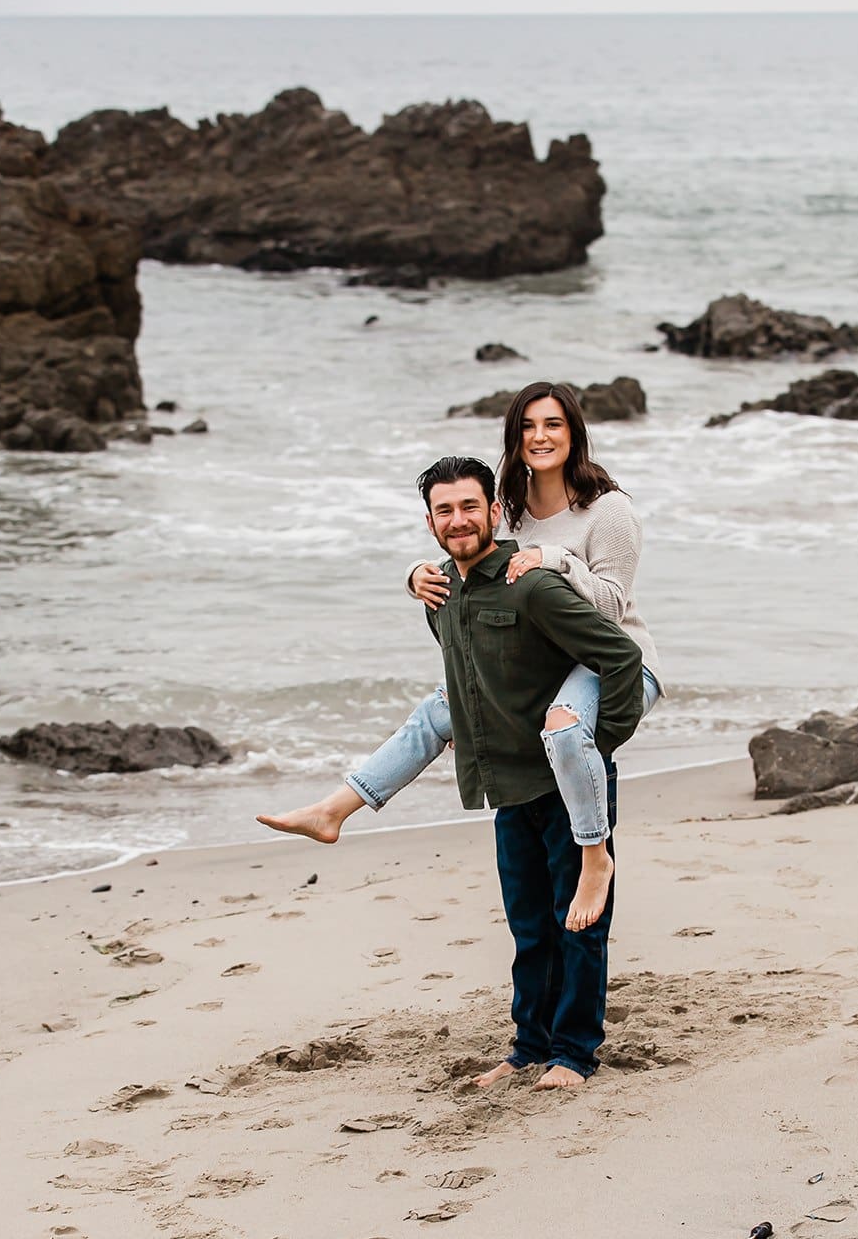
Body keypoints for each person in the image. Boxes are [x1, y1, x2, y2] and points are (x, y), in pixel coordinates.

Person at [257, 382, 663, 932]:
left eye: (553, 424)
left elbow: (613, 609)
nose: (540, 437)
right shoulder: (509, 508)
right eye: (527, 426)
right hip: (543, 664)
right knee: (436, 712)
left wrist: (555, 558)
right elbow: (475, 557)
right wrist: (415, 576)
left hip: (614, 661)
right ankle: (333, 810)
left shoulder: (608, 510)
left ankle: (596, 857)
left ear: (575, 432)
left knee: (565, 728)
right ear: (513, 438)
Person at [404, 454, 644, 1089]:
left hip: (567, 781)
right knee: (529, 929)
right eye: (444, 510)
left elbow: (620, 655)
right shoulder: (441, 598)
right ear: (429, 523)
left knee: (578, 923)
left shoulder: (532, 585)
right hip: (510, 784)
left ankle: (574, 1053)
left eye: (469, 506)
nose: (458, 520)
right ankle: (528, 1047)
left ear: (493, 511)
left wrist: (598, 745)